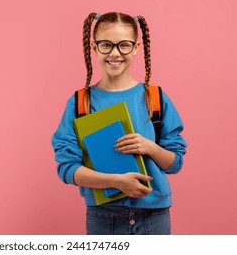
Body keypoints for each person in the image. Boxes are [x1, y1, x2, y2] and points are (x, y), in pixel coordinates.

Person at [51, 12, 187, 235]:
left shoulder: (155, 98)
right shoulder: (80, 103)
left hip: (155, 216)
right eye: (106, 45)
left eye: (124, 45)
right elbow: (67, 169)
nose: (115, 53)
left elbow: (175, 163)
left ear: (136, 48)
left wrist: (149, 147)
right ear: (94, 48)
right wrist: (117, 182)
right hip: (104, 216)